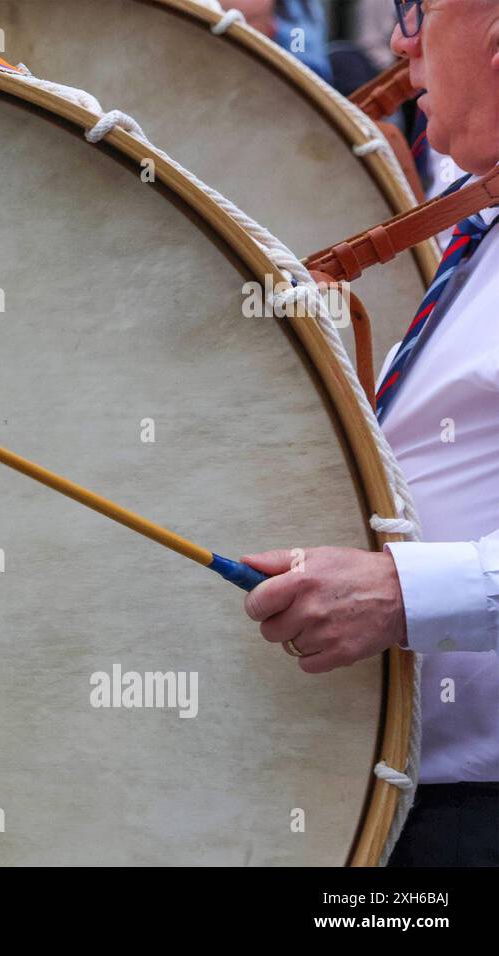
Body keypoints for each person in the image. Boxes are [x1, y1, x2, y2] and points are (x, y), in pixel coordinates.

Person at [242, 0, 499, 866]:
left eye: (419, 8)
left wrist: (400, 593)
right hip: (419, 799)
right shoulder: (481, 216)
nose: (399, 40)